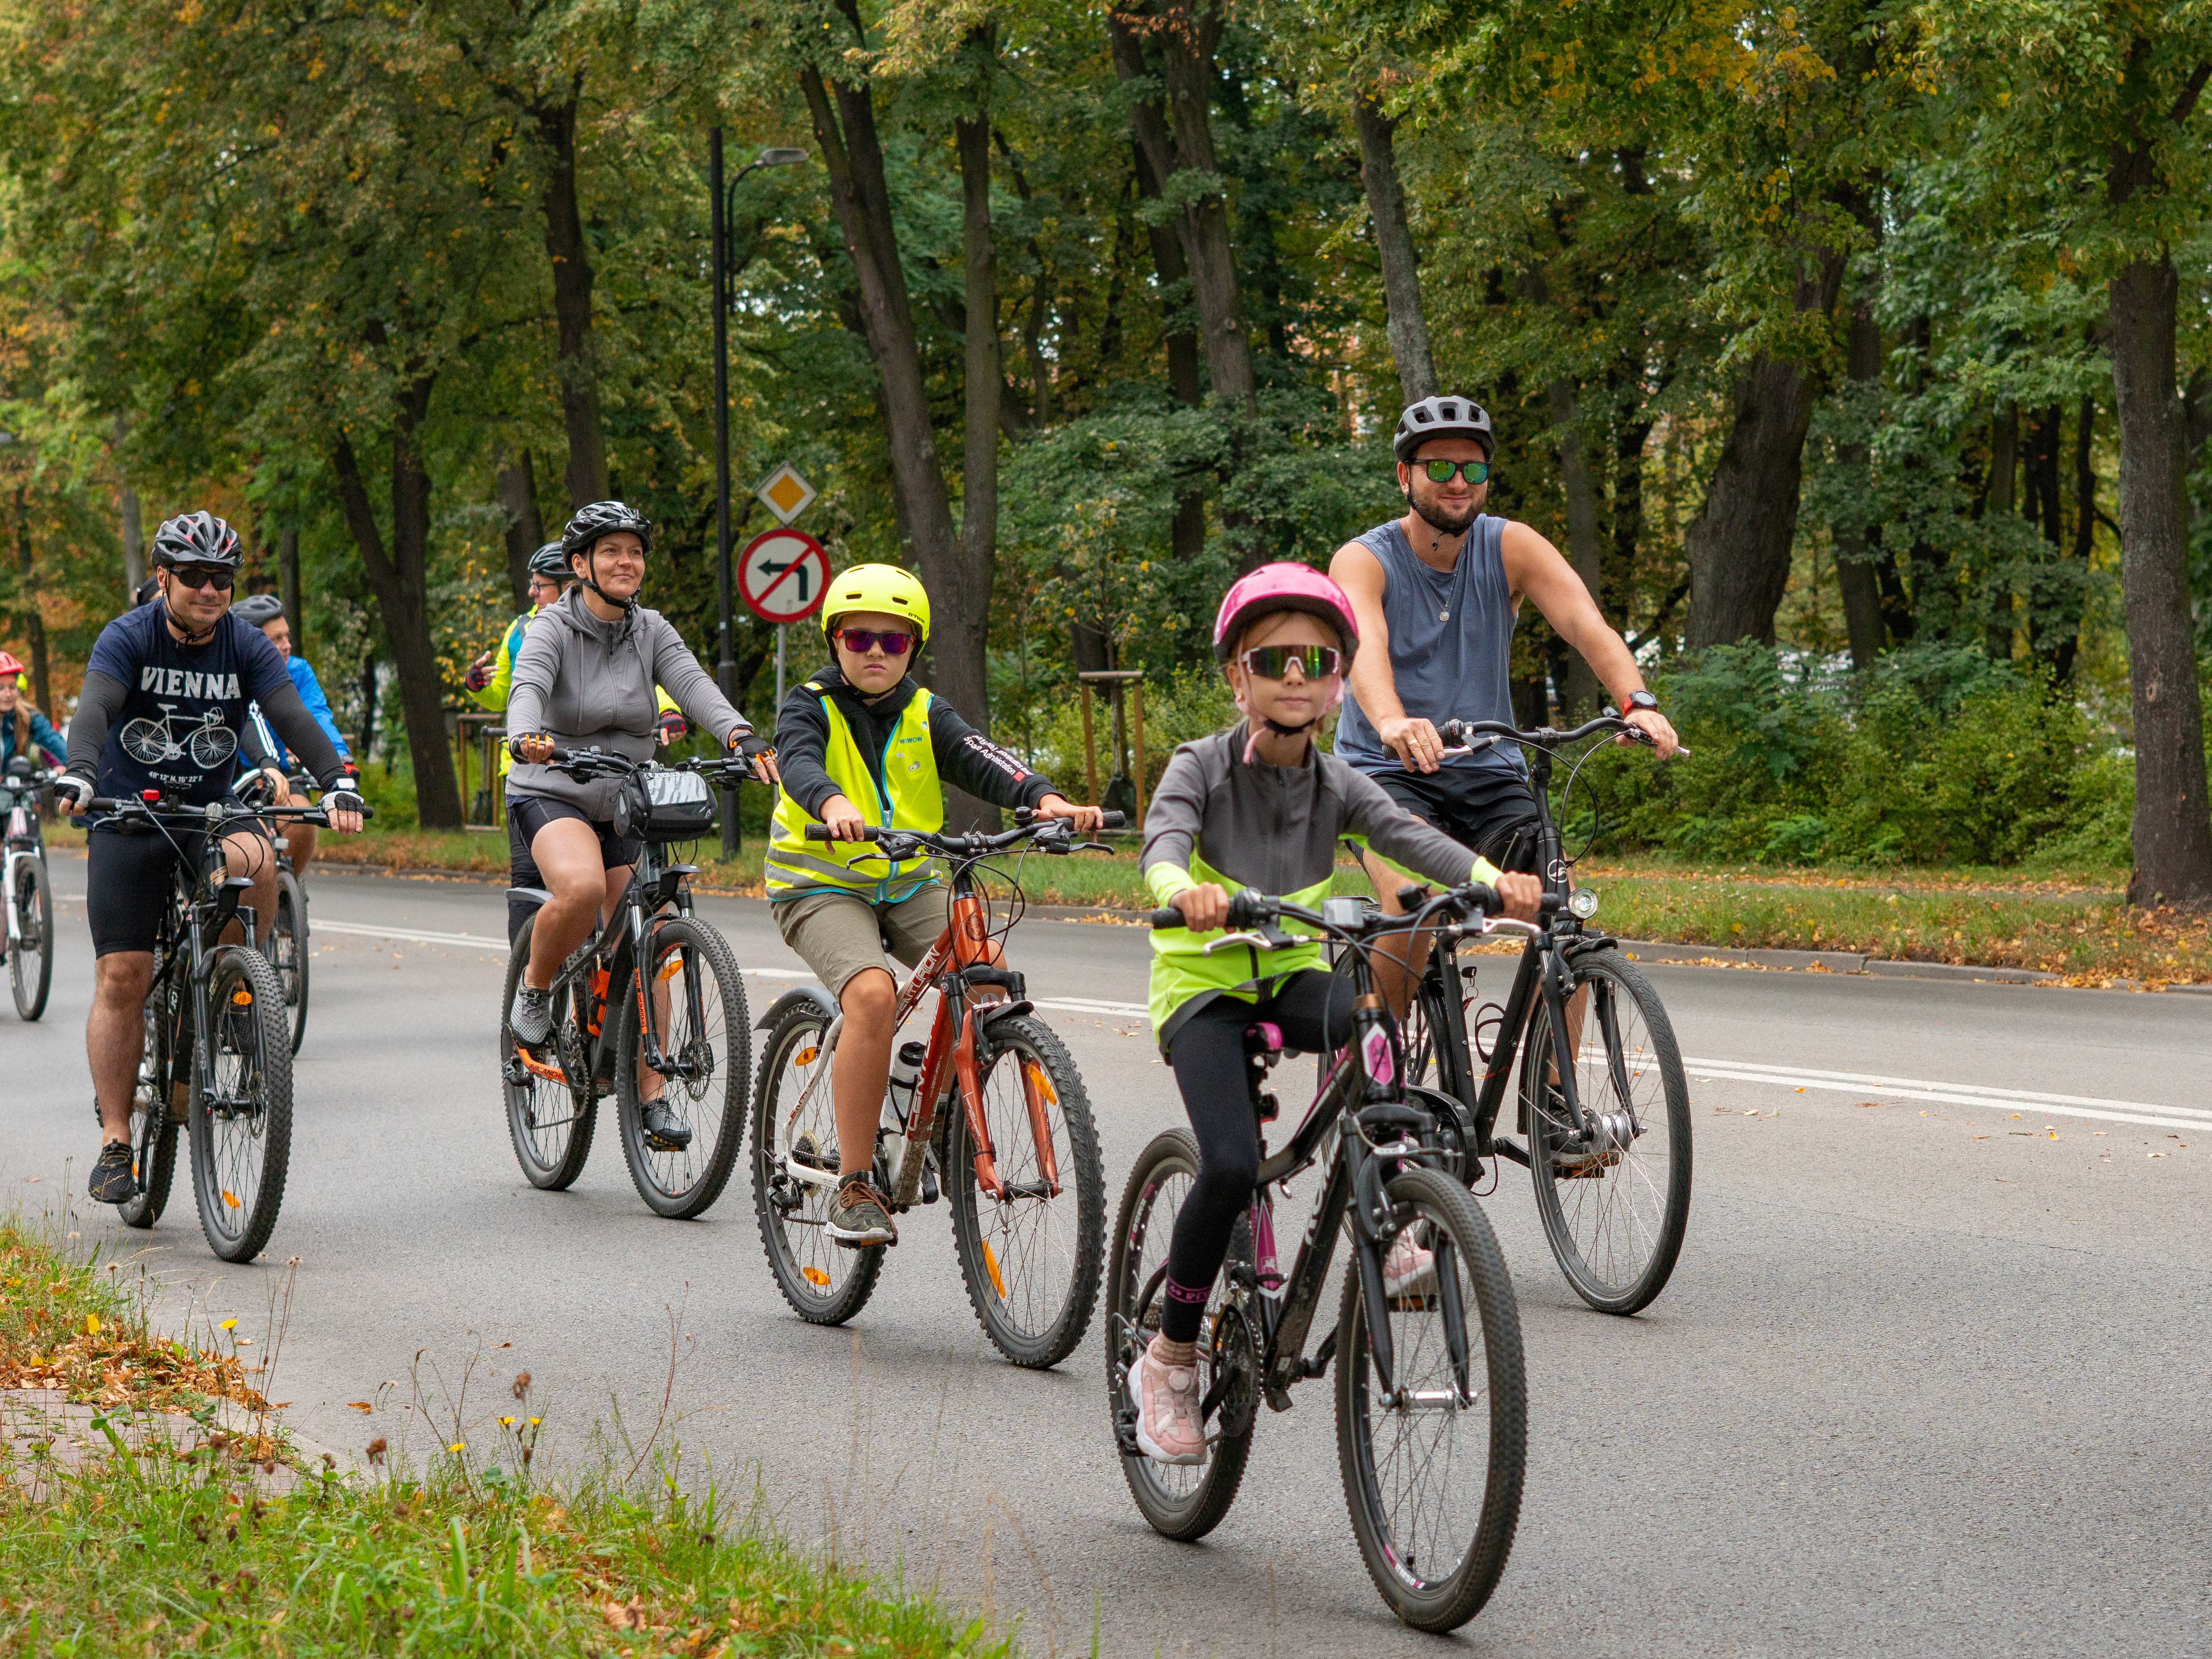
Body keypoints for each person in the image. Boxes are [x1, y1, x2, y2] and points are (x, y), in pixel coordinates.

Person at [1130, 563, 1539, 1466]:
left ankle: (1387, 1213)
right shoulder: (1197, 765)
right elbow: (1161, 844)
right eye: (1270, 658)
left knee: (1374, 1025)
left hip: (1288, 977)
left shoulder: (1339, 781)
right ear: (1237, 675)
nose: (1293, 675)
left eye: (1315, 658)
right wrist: (1185, 889)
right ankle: (1170, 1355)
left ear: (1337, 678)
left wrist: (1489, 882)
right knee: (1232, 1162)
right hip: (1203, 989)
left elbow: (1411, 836)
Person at [767, 563, 1099, 1249]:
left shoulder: (924, 710)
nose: (875, 653)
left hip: (911, 877)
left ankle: (918, 1105)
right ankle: (856, 1183)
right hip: (821, 882)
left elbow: (982, 756)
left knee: (987, 979)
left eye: (893, 641)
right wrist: (831, 803)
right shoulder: (809, 704)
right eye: (859, 637)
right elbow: (798, 763)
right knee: (870, 996)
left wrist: (1043, 798)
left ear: (913, 647)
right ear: (834, 639)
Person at [53, 511, 364, 1203]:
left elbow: (287, 713)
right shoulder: (126, 636)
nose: (208, 590)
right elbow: (97, 708)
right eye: (193, 576)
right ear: (163, 577)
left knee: (257, 855)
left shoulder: (245, 645)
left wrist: (336, 777)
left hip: (209, 810)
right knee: (123, 976)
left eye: (221, 578)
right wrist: (79, 769)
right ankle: (115, 1138)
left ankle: (230, 984)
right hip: (129, 813)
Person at [1329, 395, 1680, 1000]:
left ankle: (1554, 1091)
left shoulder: (1509, 546)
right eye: (1438, 467)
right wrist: (1390, 720)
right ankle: (1374, 1062)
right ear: (1403, 476)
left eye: (1473, 468)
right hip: (1384, 770)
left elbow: (1586, 627)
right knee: (1419, 901)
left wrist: (1636, 701)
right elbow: (1364, 647)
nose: (1458, 482)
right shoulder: (1364, 560)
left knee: (1562, 916)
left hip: (1488, 769)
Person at [504, 501, 776, 1150]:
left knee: (650, 936)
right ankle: (536, 991)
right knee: (580, 889)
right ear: (580, 565)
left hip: (629, 795)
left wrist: (738, 731)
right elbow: (527, 687)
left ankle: (650, 1096)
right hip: (554, 788)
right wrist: (526, 736)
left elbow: (693, 685)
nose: (626, 562)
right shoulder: (550, 628)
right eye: (610, 552)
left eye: (634, 552)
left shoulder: (651, 629)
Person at [228, 593, 356, 876]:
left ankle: (288, 893)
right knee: (251, 851)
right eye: (276, 640)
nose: (286, 646)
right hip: (238, 778)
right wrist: (268, 763)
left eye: (287, 637)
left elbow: (316, 715)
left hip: (280, 776)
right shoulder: (233, 671)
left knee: (301, 817)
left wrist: (339, 759)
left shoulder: (298, 670)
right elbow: (251, 718)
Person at [0, 652, 65, 770]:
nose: (8, 694)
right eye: (1, 688)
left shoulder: (28, 716)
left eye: (12, 687)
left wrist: (75, 769)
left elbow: (52, 740)